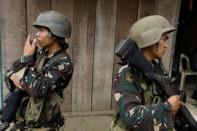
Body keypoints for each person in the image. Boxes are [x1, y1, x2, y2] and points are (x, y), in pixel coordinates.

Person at [0, 11, 73, 130]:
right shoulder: (39, 53)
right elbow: (10, 71)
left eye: (41, 30)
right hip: (24, 120)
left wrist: (28, 59)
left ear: (54, 34)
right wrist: (12, 76)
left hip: (44, 125)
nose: (37, 34)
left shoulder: (64, 63)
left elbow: (38, 90)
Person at [110, 15, 181, 131]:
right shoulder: (127, 73)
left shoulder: (157, 69)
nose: (166, 45)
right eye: (164, 39)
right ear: (151, 39)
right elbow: (132, 116)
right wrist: (168, 107)